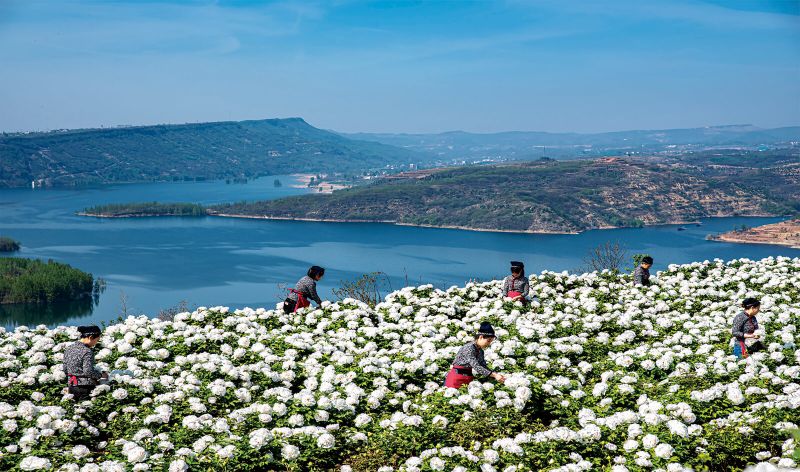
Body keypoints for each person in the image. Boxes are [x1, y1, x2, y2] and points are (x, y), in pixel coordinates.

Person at [444, 322, 507, 388]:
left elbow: (483, 365)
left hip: (467, 377)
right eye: (488, 341)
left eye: (491, 342)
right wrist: (494, 375)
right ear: (481, 337)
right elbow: (476, 366)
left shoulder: (480, 351)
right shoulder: (469, 348)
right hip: (456, 377)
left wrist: (496, 374)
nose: (489, 344)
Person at [63, 325, 107, 400]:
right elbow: (88, 371)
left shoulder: (69, 349)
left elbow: (65, 369)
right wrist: (101, 375)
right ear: (90, 338)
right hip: (85, 387)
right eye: (96, 340)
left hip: (72, 385)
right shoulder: (87, 351)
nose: (95, 343)